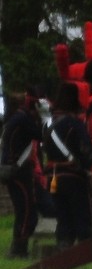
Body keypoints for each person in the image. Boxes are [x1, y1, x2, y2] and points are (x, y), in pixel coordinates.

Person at [43, 81, 92, 249]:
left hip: (52, 177)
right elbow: (87, 151)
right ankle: (85, 252)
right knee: (82, 216)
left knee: (63, 218)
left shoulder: (47, 125)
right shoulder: (74, 124)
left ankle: (63, 248)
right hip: (73, 177)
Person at [2, 87, 45, 258]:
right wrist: (45, 118)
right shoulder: (23, 119)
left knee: (23, 209)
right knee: (27, 210)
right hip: (18, 171)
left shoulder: (17, 118)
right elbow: (41, 135)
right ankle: (19, 248)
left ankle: (18, 246)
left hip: (14, 170)